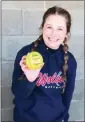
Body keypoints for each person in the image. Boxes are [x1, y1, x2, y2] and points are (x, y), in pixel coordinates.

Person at [11, 6, 77, 122]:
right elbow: (18, 94)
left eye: (60, 29)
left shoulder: (70, 60)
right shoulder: (25, 54)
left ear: (67, 33)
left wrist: (64, 118)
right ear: (42, 28)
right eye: (49, 27)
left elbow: (68, 95)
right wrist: (30, 79)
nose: (53, 33)